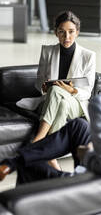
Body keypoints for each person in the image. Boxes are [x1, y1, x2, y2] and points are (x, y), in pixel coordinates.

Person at [1, 27, 101, 186]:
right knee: (79, 126)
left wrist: (86, 155)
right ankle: (14, 161)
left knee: (31, 164)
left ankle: (19, 167)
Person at [16, 10, 96, 169]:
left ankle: (38, 139)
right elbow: (39, 82)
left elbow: (88, 91)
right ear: (56, 33)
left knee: (58, 92)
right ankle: (50, 155)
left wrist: (71, 90)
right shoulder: (47, 52)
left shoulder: (88, 56)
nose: (67, 37)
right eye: (62, 32)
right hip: (56, 101)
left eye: (71, 32)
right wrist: (43, 86)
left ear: (77, 32)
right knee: (58, 97)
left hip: (76, 104)